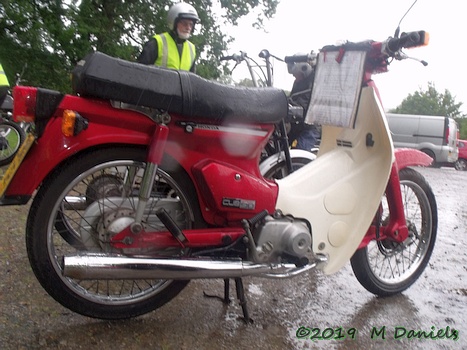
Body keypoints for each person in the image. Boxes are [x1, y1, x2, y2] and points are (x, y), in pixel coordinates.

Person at [137, 2, 199, 72]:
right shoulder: (157, 42)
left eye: (191, 24)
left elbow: (191, 79)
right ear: (174, 23)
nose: (188, 28)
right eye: (184, 23)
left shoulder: (191, 49)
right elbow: (139, 72)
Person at [286, 56, 321, 151]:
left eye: (297, 75)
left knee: (300, 150)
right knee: (279, 146)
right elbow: (293, 98)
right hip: (296, 125)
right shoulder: (297, 83)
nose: (295, 78)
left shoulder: (314, 83)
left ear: (305, 71)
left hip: (309, 127)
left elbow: (303, 105)